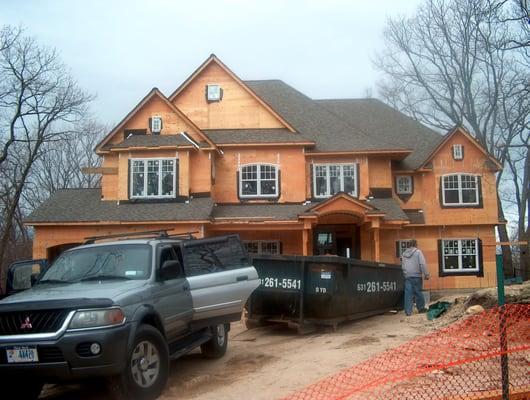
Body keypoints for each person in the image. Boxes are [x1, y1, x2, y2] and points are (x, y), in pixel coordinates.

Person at [401, 240, 430, 316]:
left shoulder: (404, 254)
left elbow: (403, 266)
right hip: (417, 276)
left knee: (408, 294)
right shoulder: (418, 252)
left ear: (409, 245)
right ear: (416, 244)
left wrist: (405, 274)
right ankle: (421, 308)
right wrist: (426, 274)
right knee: (418, 292)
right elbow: (422, 264)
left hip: (408, 276)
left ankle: (408, 311)